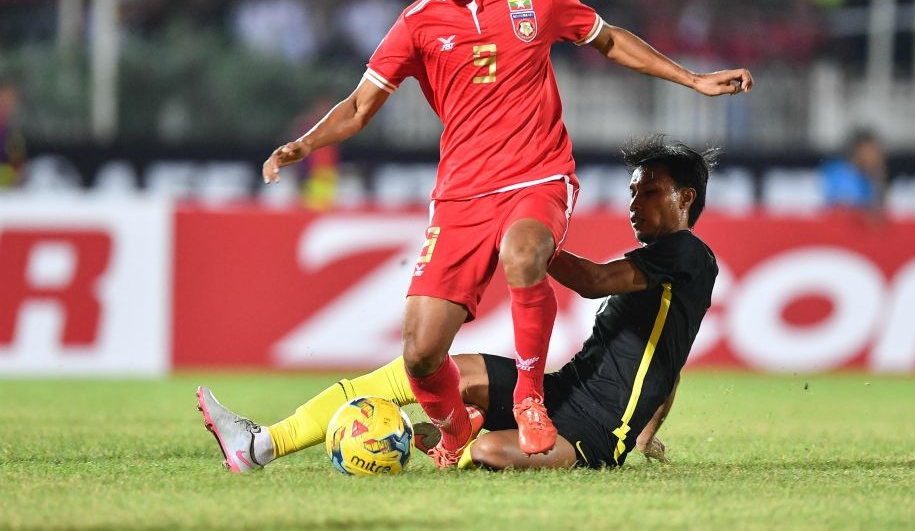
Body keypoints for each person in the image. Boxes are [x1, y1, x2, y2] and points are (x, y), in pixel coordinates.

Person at [258, 0, 752, 467]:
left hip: (538, 175)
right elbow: (361, 106)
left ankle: (529, 398)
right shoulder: (416, 23)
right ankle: (452, 435)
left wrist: (692, 79)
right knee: (420, 353)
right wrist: (303, 144)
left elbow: (610, 42)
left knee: (522, 254)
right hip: (461, 196)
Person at [199, 135, 719, 470]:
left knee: (490, 451)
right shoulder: (667, 268)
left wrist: (528, 239)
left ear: (686, 198)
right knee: (427, 367)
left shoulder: (688, 253)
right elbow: (672, 361)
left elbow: (594, 281)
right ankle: (262, 443)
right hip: (561, 390)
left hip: (596, 432)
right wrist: (651, 432)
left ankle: (455, 440)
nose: (634, 204)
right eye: (632, 193)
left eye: (648, 192)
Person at [820, 127, 887, 213]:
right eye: (870, 151)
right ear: (858, 151)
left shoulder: (867, 179)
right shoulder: (834, 173)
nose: (876, 156)